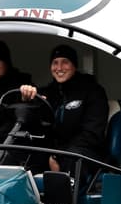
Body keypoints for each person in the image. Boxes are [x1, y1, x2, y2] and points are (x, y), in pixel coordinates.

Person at [18, 44, 108, 174]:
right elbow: (34, 128)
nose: (59, 68)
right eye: (55, 63)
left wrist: (59, 155)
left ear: (74, 65)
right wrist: (27, 102)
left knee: (71, 159)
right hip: (52, 151)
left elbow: (92, 134)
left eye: (65, 62)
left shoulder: (92, 91)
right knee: (22, 155)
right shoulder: (45, 93)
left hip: (84, 152)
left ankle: (66, 192)